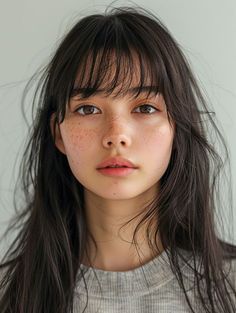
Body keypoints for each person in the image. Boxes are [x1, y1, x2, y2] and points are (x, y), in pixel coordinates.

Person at [0, 4, 236, 313]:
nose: (116, 135)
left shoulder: (228, 288)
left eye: (145, 108)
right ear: (58, 133)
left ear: (176, 127)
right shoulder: (10, 294)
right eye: (88, 109)